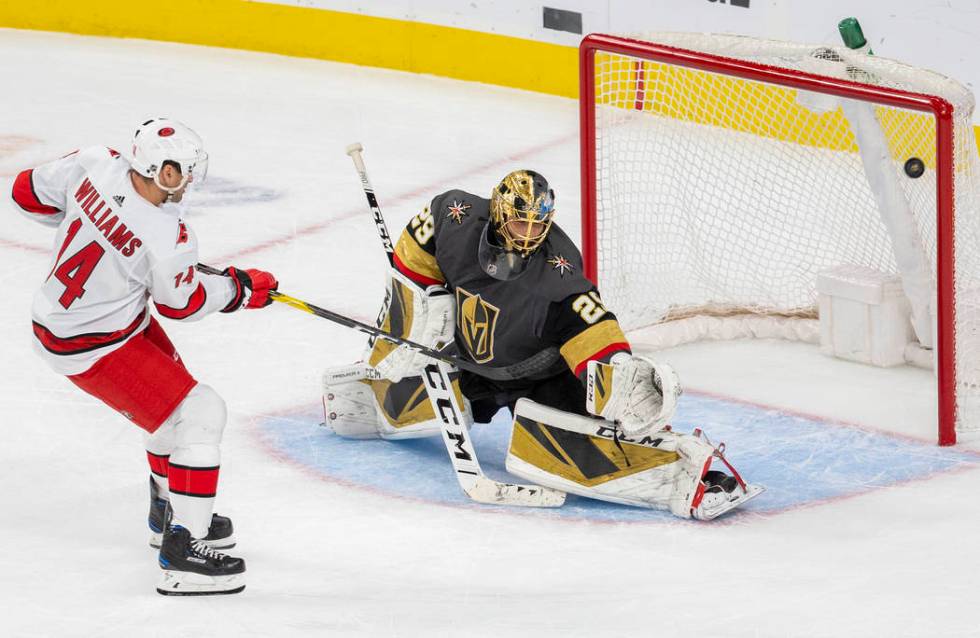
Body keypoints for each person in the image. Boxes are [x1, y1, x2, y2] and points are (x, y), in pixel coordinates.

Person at [323, 170, 755, 519]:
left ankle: (687, 479)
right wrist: (420, 304)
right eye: (519, 221)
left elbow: (592, 326)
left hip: (535, 372)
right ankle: (363, 398)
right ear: (496, 213)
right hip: (468, 361)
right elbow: (416, 252)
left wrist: (619, 375)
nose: (528, 233)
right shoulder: (453, 215)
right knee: (404, 398)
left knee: (561, 452)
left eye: (537, 223)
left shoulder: (559, 274)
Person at [11, 118, 277, 595]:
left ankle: (169, 513)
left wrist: (87, 221)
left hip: (98, 321)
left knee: (173, 406)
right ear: (161, 170)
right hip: (92, 344)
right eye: (182, 172)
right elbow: (184, 304)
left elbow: (24, 193)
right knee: (201, 412)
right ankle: (186, 553)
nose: (189, 181)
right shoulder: (167, 236)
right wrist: (238, 290)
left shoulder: (93, 161)